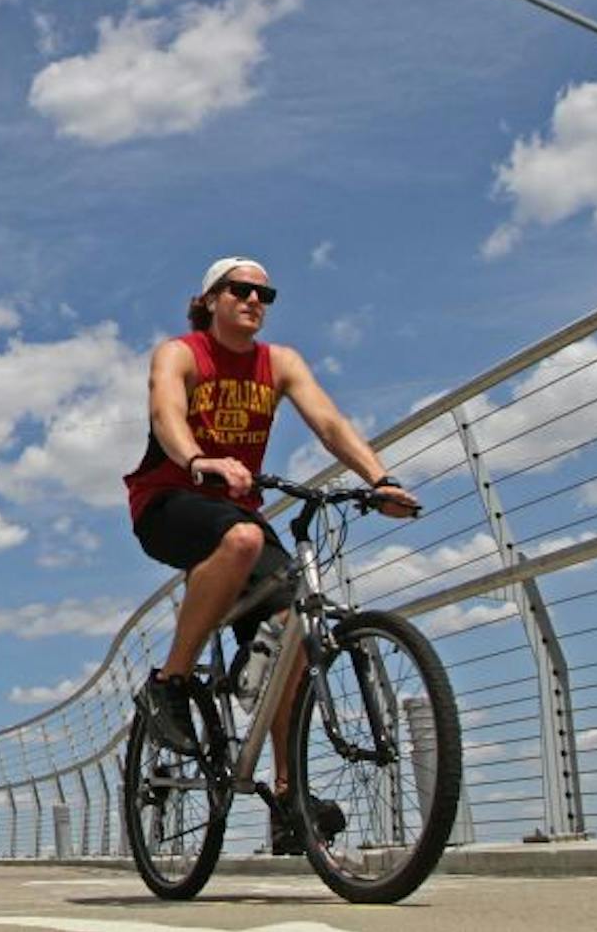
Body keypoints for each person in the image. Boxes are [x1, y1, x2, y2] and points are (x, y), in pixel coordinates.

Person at [123, 256, 420, 853]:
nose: (254, 301)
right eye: (240, 290)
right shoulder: (181, 354)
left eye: (265, 294)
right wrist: (197, 460)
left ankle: (288, 799)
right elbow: (167, 414)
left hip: (236, 509)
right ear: (210, 299)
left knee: (291, 634)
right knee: (244, 538)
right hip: (169, 503)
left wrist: (380, 479)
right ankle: (170, 683)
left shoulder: (279, 364)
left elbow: (330, 422)